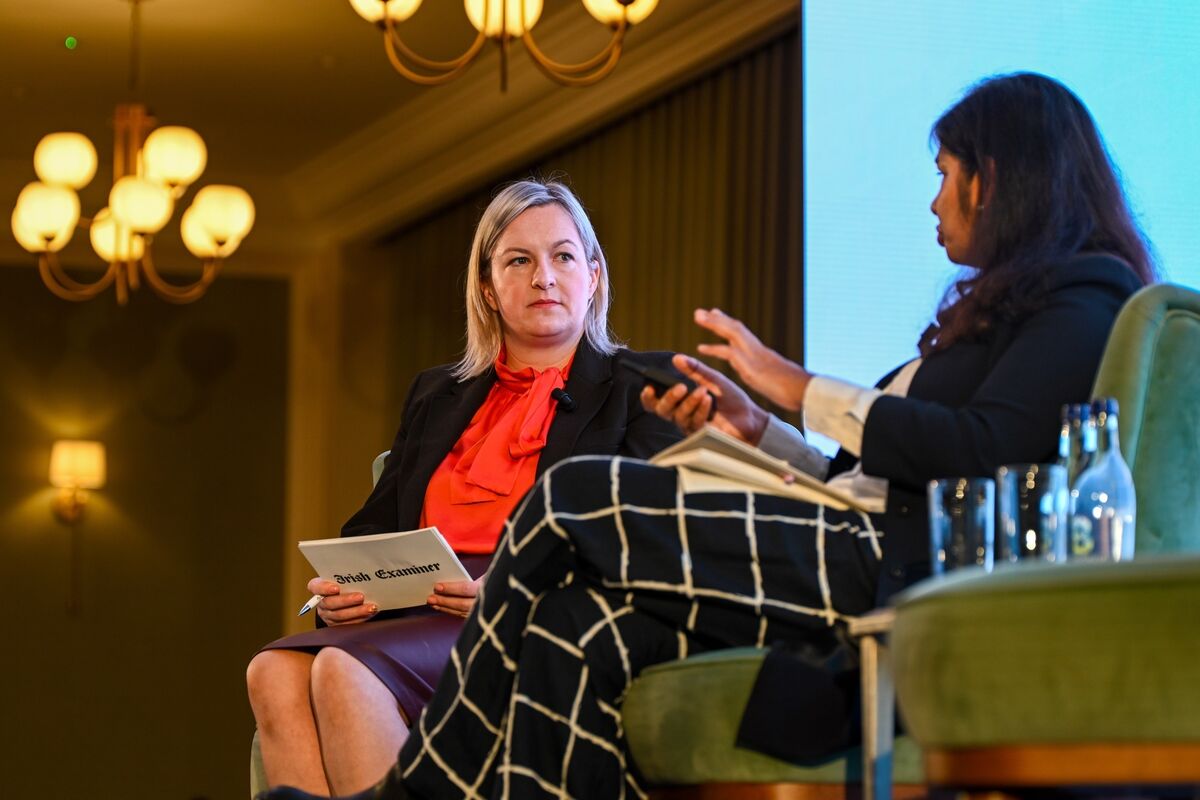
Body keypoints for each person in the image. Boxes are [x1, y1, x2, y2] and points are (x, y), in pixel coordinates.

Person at [262, 73, 1156, 800]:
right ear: (488, 287)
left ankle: (421, 789)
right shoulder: (990, 316)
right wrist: (760, 427)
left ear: (998, 177)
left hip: (886, 560)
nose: (933, 200)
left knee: (575, 494)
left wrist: (803, 387)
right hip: (839, 526)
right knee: (577, 625)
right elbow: (860, 471)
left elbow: (977, 449)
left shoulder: (1086, 295)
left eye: (945, 171)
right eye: (520, 262)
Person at [246, 179, 682, 796]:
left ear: (594, 274)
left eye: (562, 256)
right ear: (486, 287)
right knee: (272, 671)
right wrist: (343, 588)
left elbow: (642, 532)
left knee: (342, 670)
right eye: (518, 261)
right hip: (416, 607)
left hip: (538, 616)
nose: (544, 277)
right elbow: (374, 527)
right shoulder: (437, 393)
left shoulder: (641, 384)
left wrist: (511, 587)